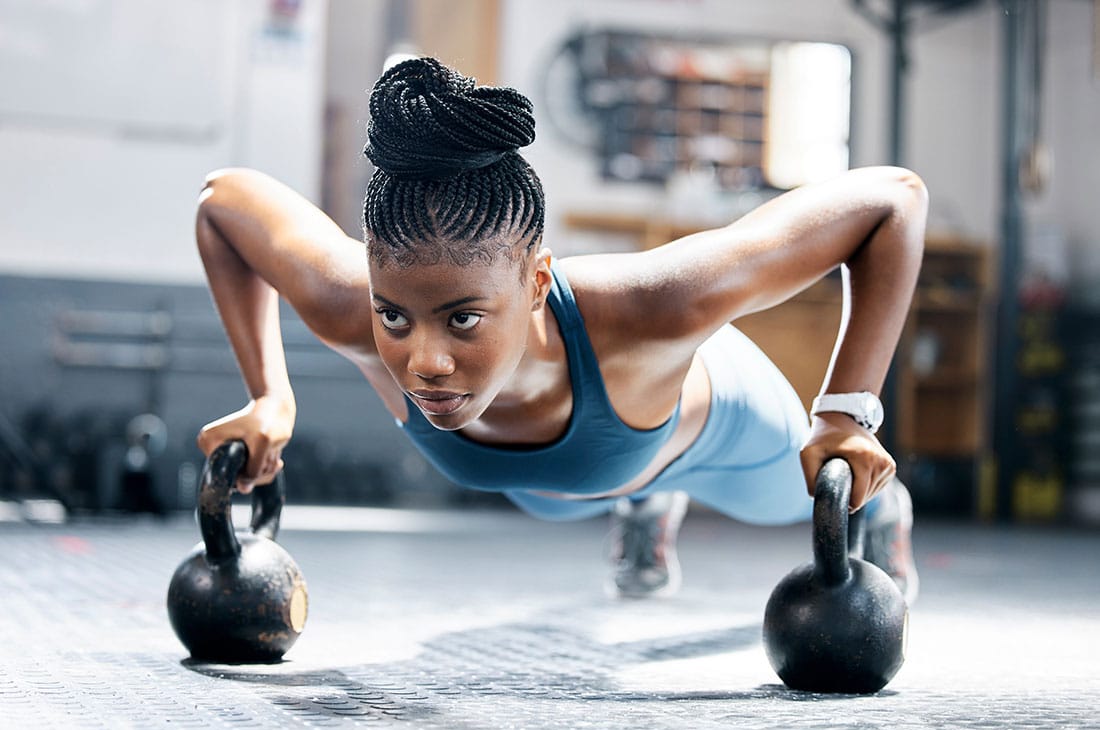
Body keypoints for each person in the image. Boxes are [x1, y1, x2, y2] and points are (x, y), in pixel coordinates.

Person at [196, 56, 924, 603]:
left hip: (718, 425)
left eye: (462, 319)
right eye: (394, 316)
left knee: (798, 500)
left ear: (538, 282)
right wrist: (269, 398)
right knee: (565, 492)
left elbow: (892, 200)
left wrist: (845, 413)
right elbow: (221, 202)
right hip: (571, 480)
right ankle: (640, 501)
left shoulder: (658, 306)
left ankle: (882, 501)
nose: (423, 362)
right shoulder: (346, 307)